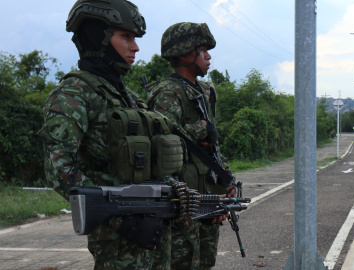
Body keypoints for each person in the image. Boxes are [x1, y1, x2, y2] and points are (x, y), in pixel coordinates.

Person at [38, 1, 172, 268]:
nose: (135, 47)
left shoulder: (127, 96)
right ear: (98, 37)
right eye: (126, 37)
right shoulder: (74, 93)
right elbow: (59, 168)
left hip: (153, 229)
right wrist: (122, 219)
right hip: (118, 239)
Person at [147, 22, 236, 269]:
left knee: (205, 262)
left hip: (207, 194)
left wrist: (225, 178)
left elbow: (211, 147)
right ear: (185, 53)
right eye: (202, 50)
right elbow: (164, 146)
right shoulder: (167, 93)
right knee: (182, 262)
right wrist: (200, 129)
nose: (208, 56)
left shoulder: (205, 91)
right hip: (183, 200)